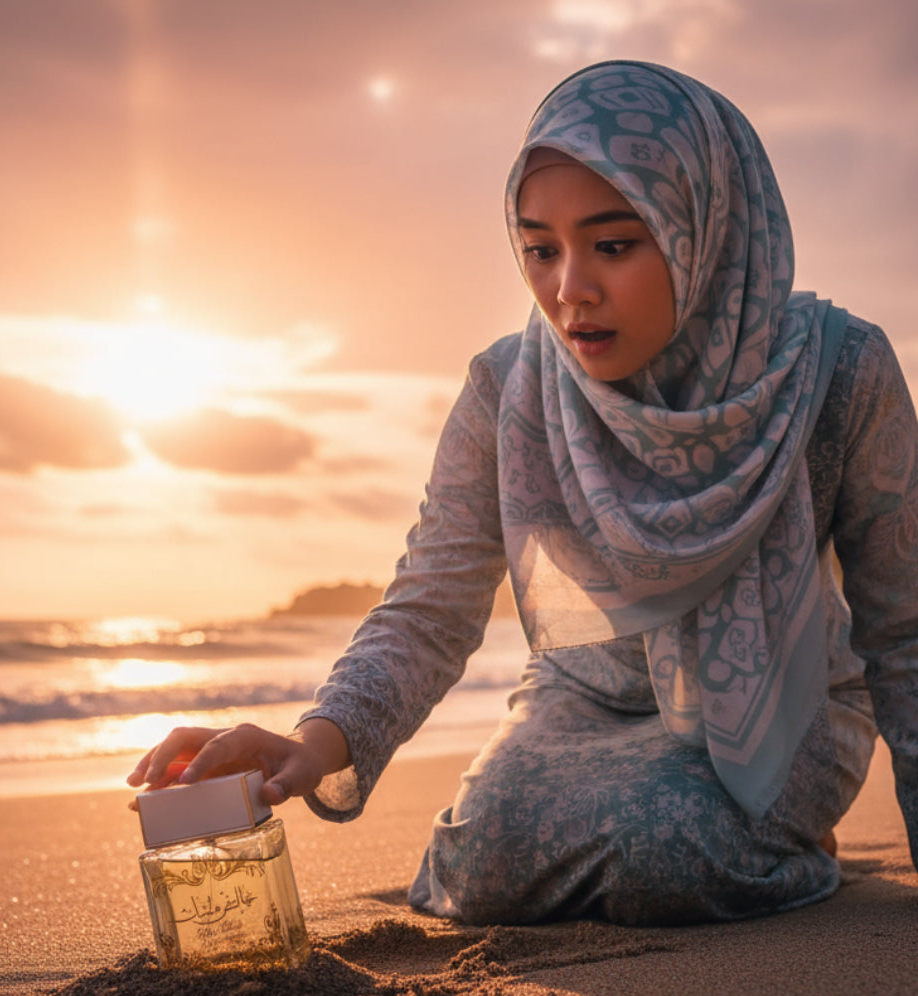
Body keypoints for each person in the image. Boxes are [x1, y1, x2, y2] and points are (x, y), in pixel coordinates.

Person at [128, 60, 918, 925]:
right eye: (541, 250)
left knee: (667, 850)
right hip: (578, 700)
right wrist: (314, 743)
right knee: (485, 861)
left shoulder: (837, 373)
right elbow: (430, 606)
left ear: (706, 228)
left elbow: (904, 629)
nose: (568, 289)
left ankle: (794, 854)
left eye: (613, 244)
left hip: (785, 704)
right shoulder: (511, 391)